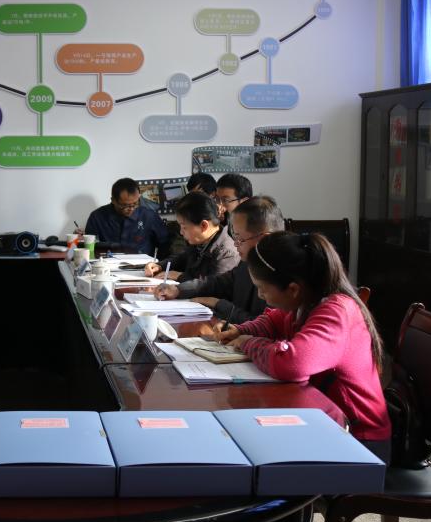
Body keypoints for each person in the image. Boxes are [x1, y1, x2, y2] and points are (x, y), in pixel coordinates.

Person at [214, 232, 391, 460]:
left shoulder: (337, 312)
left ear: (293, 289)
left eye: (262, 289)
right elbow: (273, 321)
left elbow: (293, 363)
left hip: (359, 441)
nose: (260, 294)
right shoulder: (305, 301)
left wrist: (248, 343)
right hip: (321, 420)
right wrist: (240, 330)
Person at [156, 195, 283, 324]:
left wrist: (218, 303)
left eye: (239, 238)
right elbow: (219, 282)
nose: (235, 244)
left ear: (263, 239)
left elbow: (262, 326)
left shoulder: (281, 278)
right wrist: (179, 289)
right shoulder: (248, 262)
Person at [144, 192, 238, 284]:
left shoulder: (226, 253)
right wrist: (159, 266)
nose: (181, 232)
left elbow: (213, 286)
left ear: (204, 226)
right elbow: (181, 258)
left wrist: (180, 276)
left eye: (184, 227)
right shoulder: (201, 242)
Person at [84, 177, 170, 257]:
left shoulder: (148, 216)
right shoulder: (97, 217)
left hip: (143, 266)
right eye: (125, 205)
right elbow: (90, 247)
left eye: (135, 204)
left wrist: (158, 264)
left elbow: (165, 244)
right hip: (107, 265)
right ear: (113, 200)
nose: (131, 209)